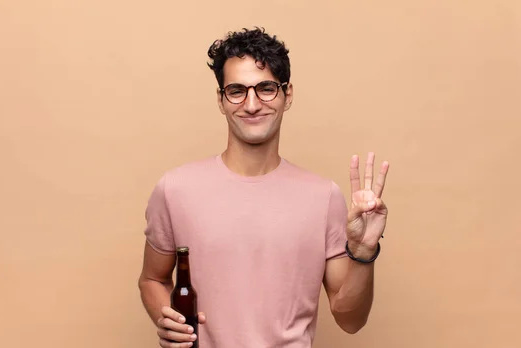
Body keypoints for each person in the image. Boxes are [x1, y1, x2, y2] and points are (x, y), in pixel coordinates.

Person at [137, 27, 390, 348]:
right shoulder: (174, 189)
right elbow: (152, 278)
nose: (252, 104)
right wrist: (166, 316)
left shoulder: (324, 197)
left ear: (288, 95)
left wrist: (365, 253)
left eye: (267, 88)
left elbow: (350, 319)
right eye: (237, 90)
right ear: (221, 99)